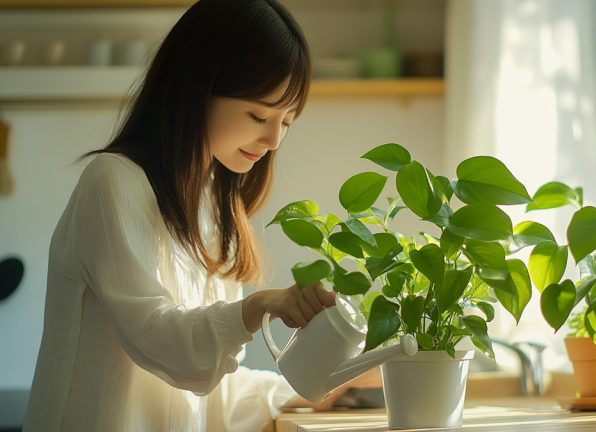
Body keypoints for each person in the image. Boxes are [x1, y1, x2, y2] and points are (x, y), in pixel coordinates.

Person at [24, 1, 353, 430]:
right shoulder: (113, 183)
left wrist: (319, 389)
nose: (273, 139)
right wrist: (260, 306)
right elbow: (163, 343)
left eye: (287, 121)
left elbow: (210, 388)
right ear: (198, 87)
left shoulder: (215, 208)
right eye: (259, 114)